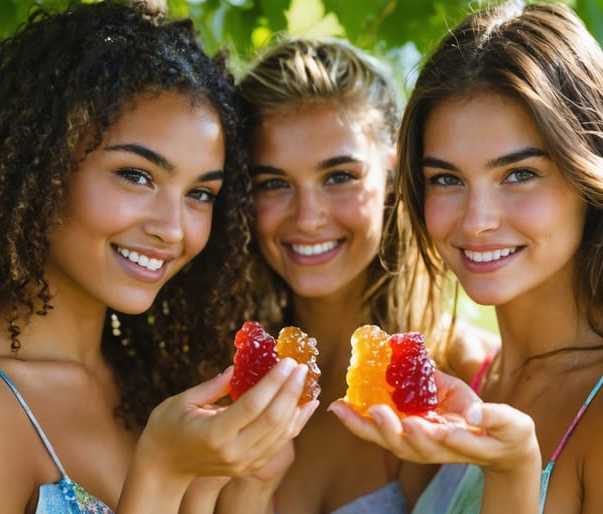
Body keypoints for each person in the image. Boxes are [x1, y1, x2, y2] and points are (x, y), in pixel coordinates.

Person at [329, 2, 603, 514]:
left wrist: (514, 474)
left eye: (519, 174)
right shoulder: (469, 376)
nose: (476, 221)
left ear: (593, 173)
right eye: (446, 179)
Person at [0, 2, 316, 513]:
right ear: (39, 166)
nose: (172, 229)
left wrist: (243, 488)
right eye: (136, 175)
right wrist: (161, 471)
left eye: (200, 194)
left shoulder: (157, 385)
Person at [211, 37, 498, 514]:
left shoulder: (475, 377)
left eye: (339, 176)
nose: (307, 218)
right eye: (274, 184)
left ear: (391, 176)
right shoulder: (224, 386)